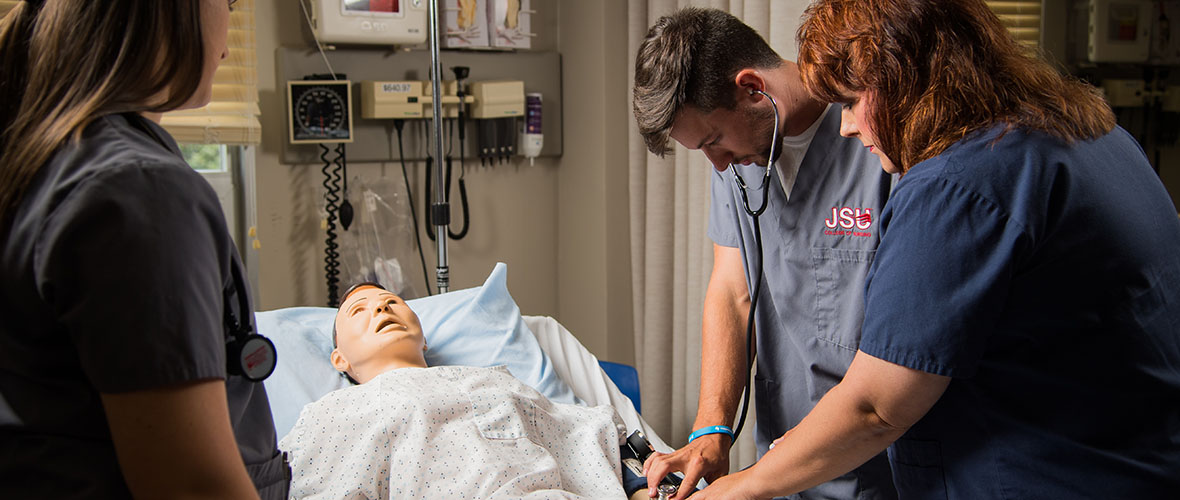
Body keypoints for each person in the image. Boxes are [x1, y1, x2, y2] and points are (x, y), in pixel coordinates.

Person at [678, 0, 1180, 498]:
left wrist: (734, 491)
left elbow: (876, 406)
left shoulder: (960, 184)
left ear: (906, 78)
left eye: (852, 101)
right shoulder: (1093, 133)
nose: (847, 126)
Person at [0, 1, 288, 498]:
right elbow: (192, 486)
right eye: (228, 2)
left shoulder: (39, 155)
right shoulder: (140, 191)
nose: (230, 24)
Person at [633, 7, 896, 499]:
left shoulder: (876, 138)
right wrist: (711, 429)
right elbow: (732, 291)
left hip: (884, 463)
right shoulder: (736, 164)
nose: (716, 163)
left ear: (753, 88)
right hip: (784, 463)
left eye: (714, 140)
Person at [281, 282, 655, 499]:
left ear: (424, 339)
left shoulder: (494, 381)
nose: (381, 309)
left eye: (392, 302)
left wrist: (645, 487)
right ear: (339, 359)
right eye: (359, 310)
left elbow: (586, 437)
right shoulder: (332, 413)